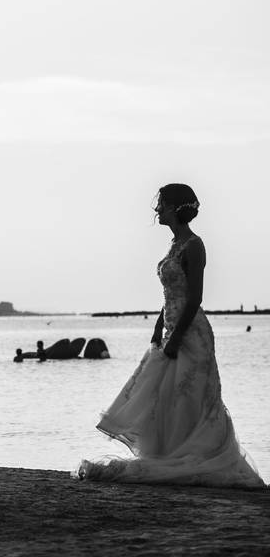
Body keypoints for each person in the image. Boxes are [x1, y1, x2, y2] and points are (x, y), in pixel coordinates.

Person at [77, 183, 265, 488]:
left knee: (190, 395)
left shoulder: (194, 245)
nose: (157, 210)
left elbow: (194, 298)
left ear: (176, 208)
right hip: (170, 326)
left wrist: (177, 337)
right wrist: (158, 326)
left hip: (191, 332)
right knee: (164, 395)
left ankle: (195, 455)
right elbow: (170, 294)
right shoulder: (174, 246)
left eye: (162, 204)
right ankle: (169, 453)